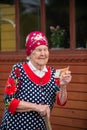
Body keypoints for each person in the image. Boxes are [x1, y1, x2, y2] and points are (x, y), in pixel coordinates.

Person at [0, 31, 72, 130]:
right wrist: (36, 107)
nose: (43, 54)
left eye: (45, 49)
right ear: (30, 52)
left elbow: (61, 101)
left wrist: (63, 86)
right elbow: (8, 102)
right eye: (39, 50)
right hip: (16, 126)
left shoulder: (54, 73)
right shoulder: (18, 70)